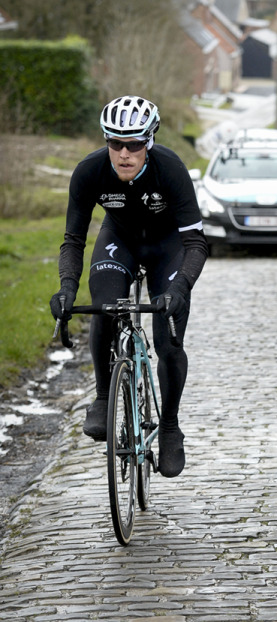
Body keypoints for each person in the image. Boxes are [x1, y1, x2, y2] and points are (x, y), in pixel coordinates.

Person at [50, 95, 208, 478]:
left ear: (149, 142)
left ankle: (169, 426)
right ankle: (104, 396)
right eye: (115, 143)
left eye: (134, 144)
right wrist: (67, 288)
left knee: (168, 341)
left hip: (166, 248)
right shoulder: (89, 171)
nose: (123, 153)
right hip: (118, 240)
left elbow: (196, 243)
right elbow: (73, 240)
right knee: (105, 307)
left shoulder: (170, 169)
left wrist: (180, 287)